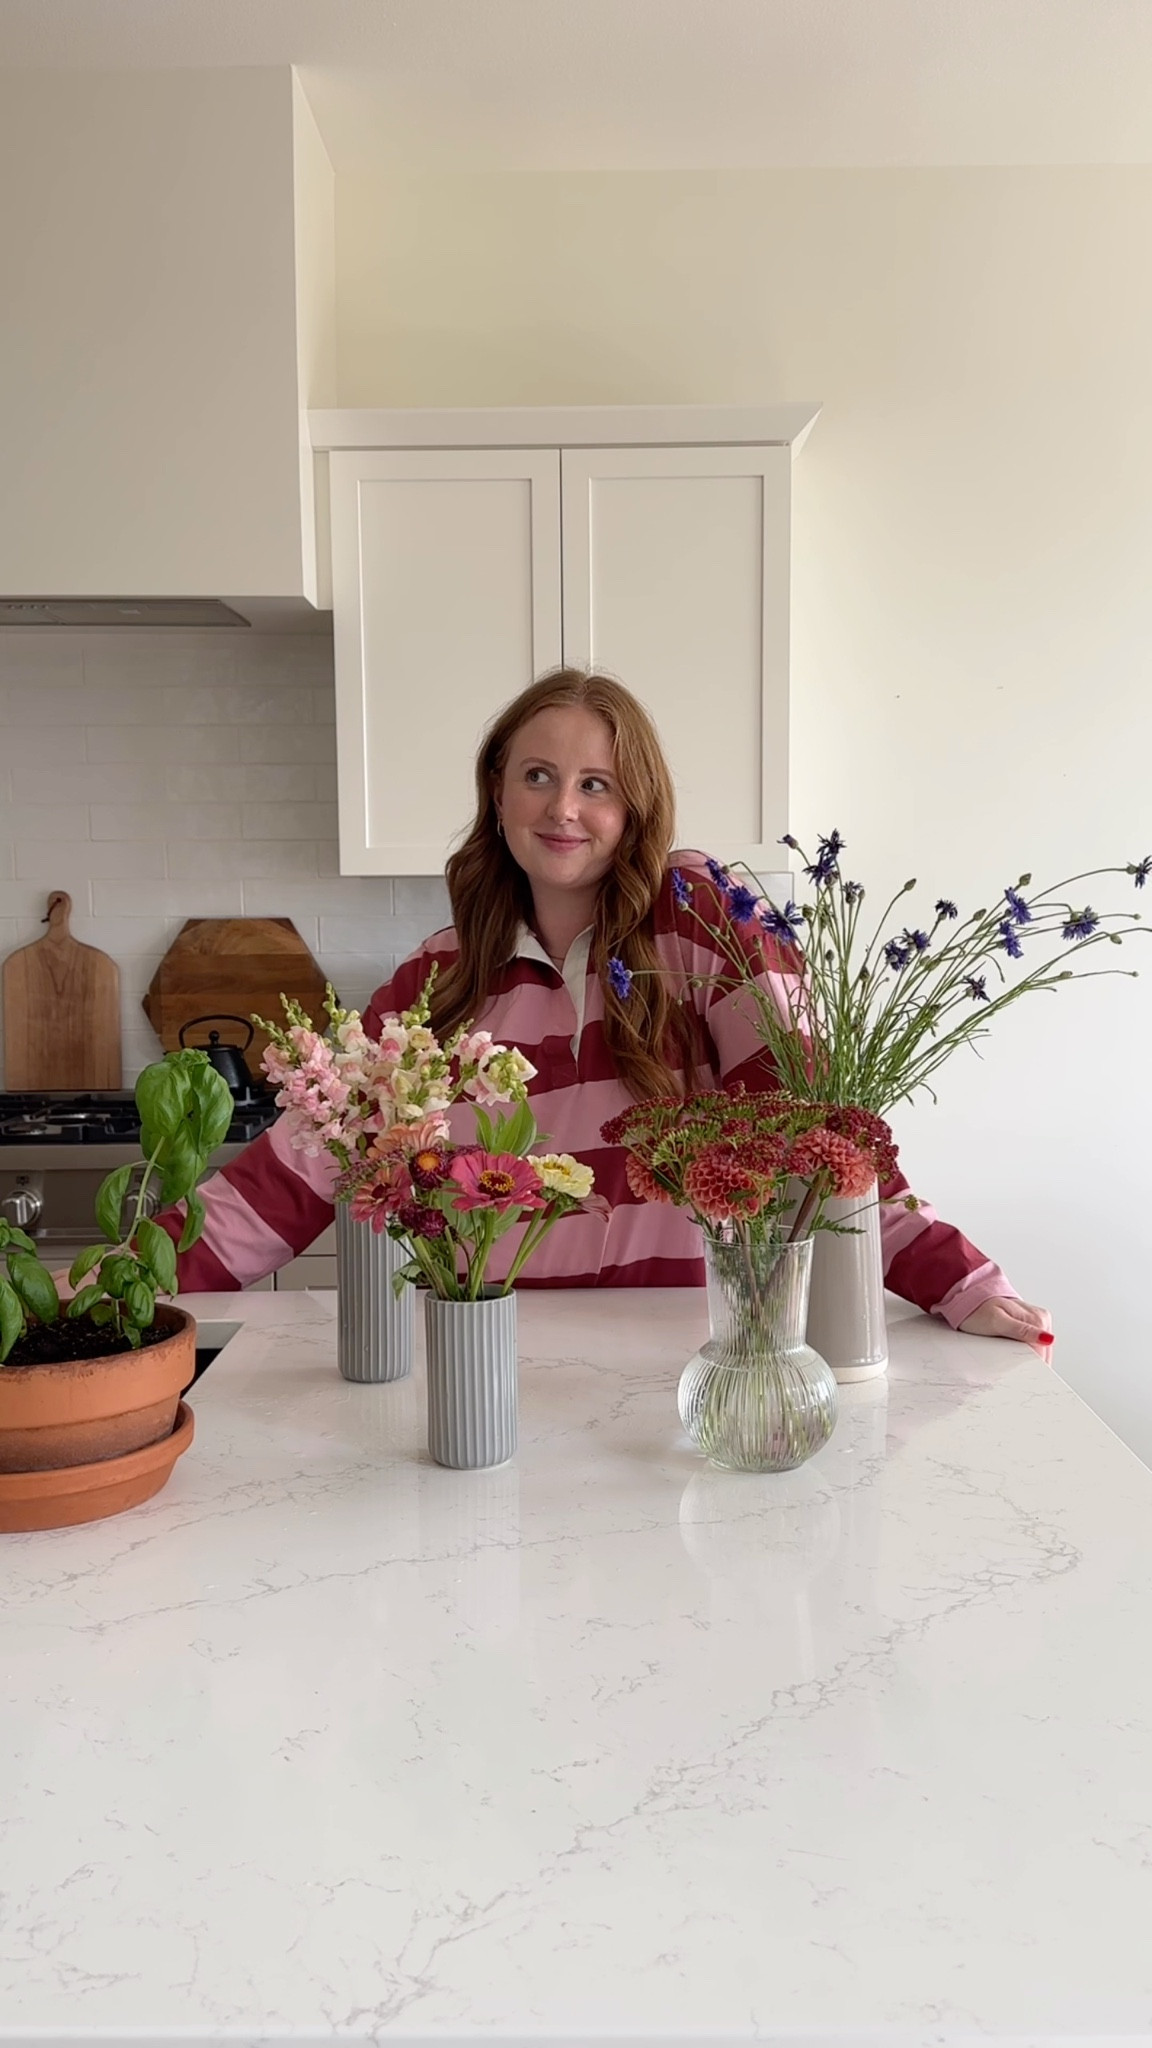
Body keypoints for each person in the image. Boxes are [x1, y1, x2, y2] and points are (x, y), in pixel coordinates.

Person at [161, 669, 1051, 1346]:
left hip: (696, 1345)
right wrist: (137, 1282)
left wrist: (955, 1281)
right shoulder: (436, 979)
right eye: (539, 775)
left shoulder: (707, 923)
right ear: (498, 792)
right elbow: (297, 1171)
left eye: (597, 785)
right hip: (500, 1353)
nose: (563, 808)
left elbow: (818, 1130)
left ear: (635, 806)